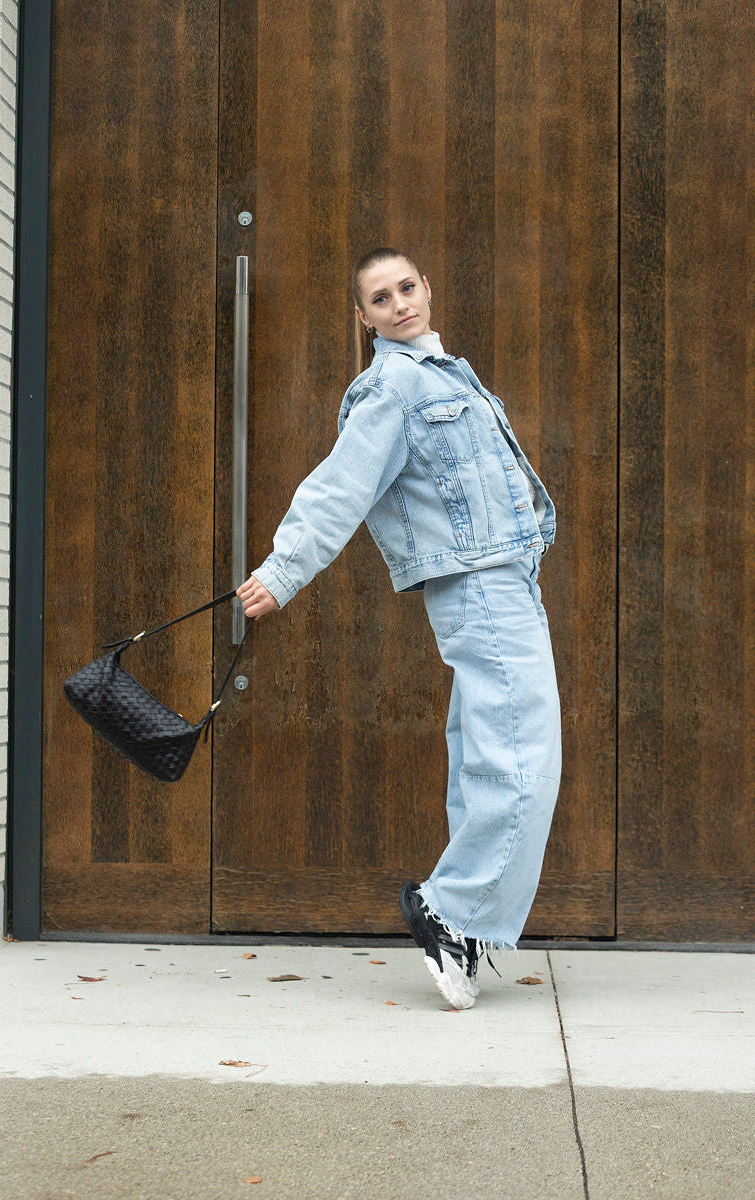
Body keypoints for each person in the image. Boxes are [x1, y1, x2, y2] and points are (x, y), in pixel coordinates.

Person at [236, 246, 561, 1010]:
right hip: (479, 586)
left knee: (488, 755)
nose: (399, 304)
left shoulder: (448, 373)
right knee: (524, 758)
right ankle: (451, 911)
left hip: (508, 579)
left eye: (407, 287)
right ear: (364, 318)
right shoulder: (389, 389)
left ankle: (469, 925)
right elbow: (338, 489)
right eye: (380, 299)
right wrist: (283, 573)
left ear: (427, 288)